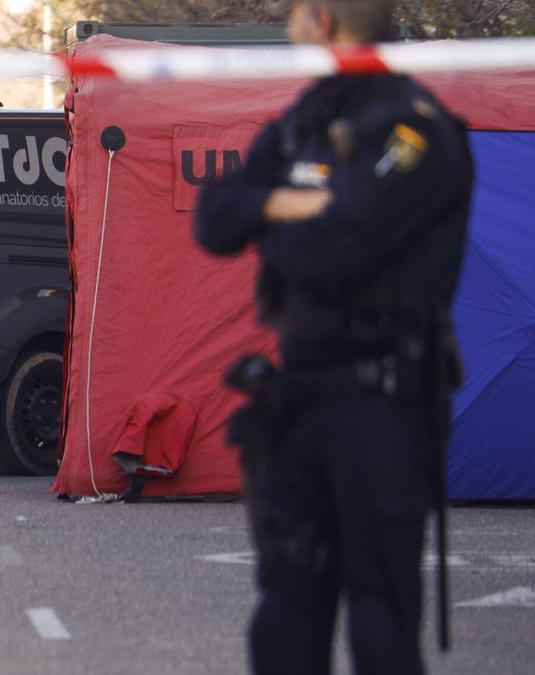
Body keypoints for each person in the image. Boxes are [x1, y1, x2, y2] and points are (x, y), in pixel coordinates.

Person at [193, 1, 473, 674]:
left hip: (382, 405)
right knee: (285, 620)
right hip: (299, 404)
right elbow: (214, 216)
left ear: (322, 19)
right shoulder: (303, 121)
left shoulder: (415, 128)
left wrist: (274, 212)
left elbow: (335, 247)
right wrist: (284, 203)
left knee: (380, 624)